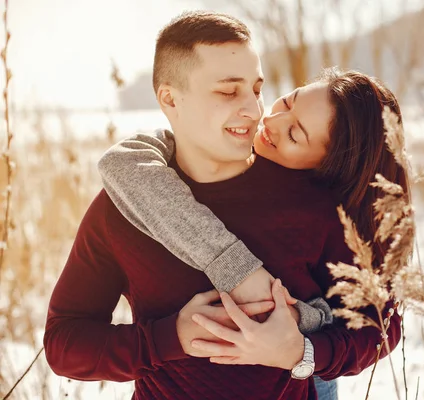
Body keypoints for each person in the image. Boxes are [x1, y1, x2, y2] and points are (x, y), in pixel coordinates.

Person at [44, 11, 404, 400]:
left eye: (256, 89)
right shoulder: (124, 207)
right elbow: (65, 344)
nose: (255, 111)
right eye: (229, 91)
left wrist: (301, 352)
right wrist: (169, 338)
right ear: (169, 98)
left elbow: (377, 324)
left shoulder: (309, 202)